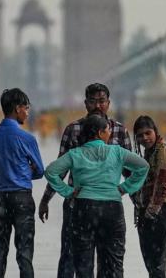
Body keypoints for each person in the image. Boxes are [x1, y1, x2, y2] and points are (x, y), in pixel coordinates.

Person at [38, 83, 132, 278]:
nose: (98, 106)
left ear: (109, 103)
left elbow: (130, 171)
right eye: (93, 101)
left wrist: (137, 201)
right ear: (85, 103)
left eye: (102, 101)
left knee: (109, 261)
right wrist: (47, 199)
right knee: (71, 258)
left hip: (108, 205)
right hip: (76, 204)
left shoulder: (120, 131)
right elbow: (59, 169)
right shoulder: (73, 129)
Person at [45, 114, 149, 278]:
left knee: (84, 265)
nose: (110, 133)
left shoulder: (75, 154)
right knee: (114, 265)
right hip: (112, 210)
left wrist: (68, 192)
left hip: (83, 209)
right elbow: (143, 166)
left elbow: (51, 172)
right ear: (100, 133)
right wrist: (124, 188)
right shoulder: (117, 152)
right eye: (108, 130)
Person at [0, 88, 44, 278]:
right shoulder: (27, 138)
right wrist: (23, 173)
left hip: (0, 198)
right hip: (22, 198)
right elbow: (40, 170)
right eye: (26, 108)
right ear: (17, 109)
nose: (27, 112)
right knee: (24, 253)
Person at [132, 115, 166, 278]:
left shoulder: (163, 151)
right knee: (152, 263)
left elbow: (164, 182)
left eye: (147, 133)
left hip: (161, 210)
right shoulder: (148, 153)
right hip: (148, 212)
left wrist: (151, 211)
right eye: (139, 135)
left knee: (156, 263)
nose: (144, 138)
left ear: (155, 132)